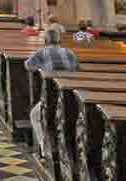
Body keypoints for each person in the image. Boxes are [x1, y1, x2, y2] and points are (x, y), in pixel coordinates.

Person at [23, 28, 78, 160]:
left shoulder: (42, 52)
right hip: (72, 96)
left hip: (52, 97)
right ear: (59, 40)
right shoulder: (69, 52)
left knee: (35, 115)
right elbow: (77, 68)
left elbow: (28, 65)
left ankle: (44, 148)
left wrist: (41, 68)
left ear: (46, 40)